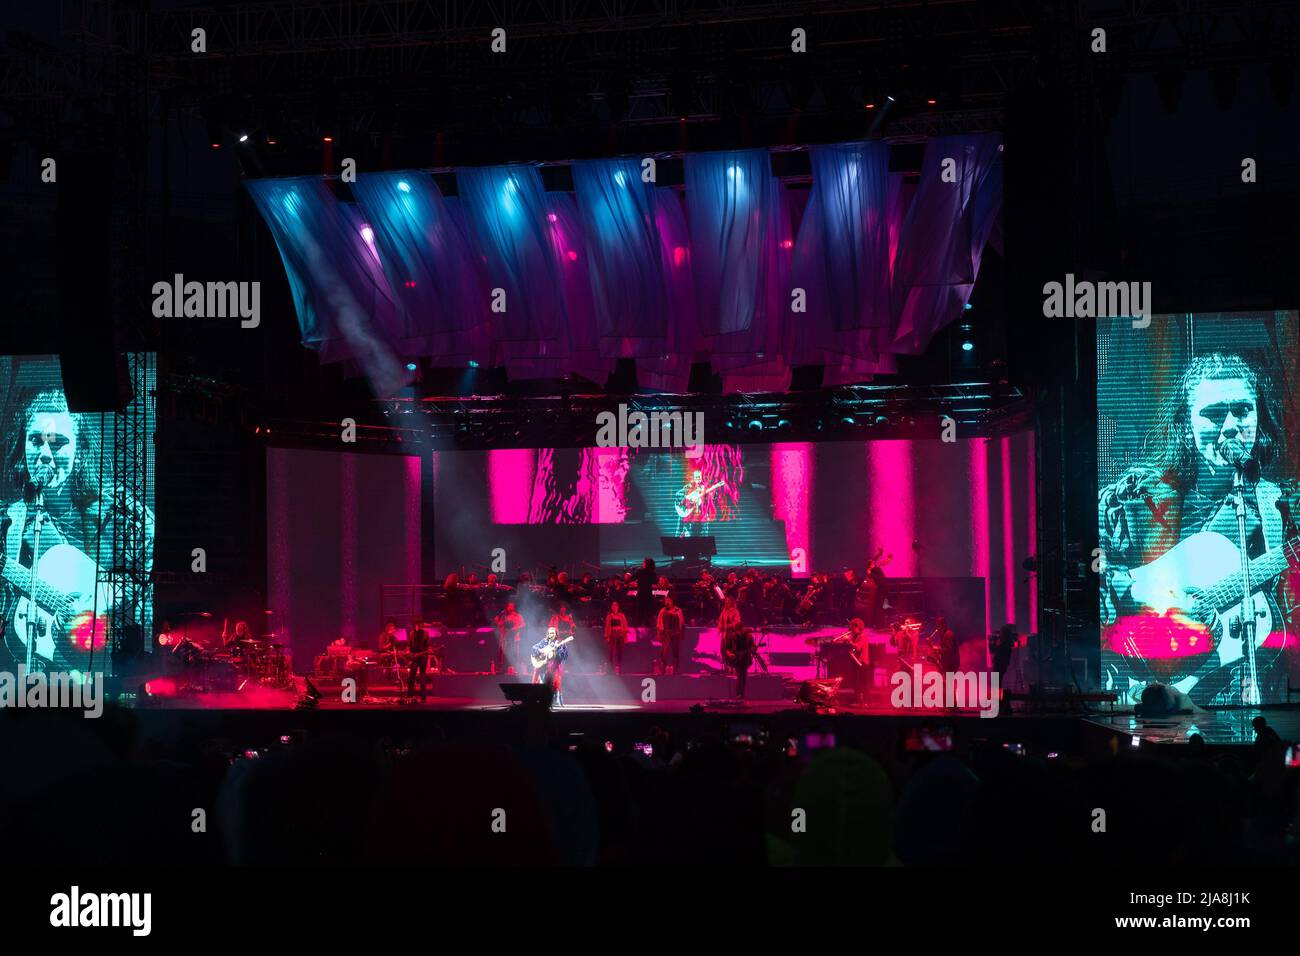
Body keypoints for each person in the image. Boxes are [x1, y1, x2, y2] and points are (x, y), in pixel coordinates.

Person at [1098, 352, 1298, 705]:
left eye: (1242, 410)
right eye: (1214, 413)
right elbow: (1088, 574)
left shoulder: (1277, 504)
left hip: (1248, 695)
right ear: (1186, 425)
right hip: (1143, 689)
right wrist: (1142, 597)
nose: (1232, 425)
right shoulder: (1134, 498)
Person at [0, 388, 154, 671]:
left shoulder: (120, 511)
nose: (45, 454)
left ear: (80, 452)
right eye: (36, 441)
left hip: (110, 669)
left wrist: (102, 600)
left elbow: (150, 567)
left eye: (57, 443)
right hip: (32, 678)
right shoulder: (10, 522)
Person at [723, 625, 756, 700]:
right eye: (738, 631)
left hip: (746, 659)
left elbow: (753, 647)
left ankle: (741, 695)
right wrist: (730, 654)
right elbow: (727, 648)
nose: (740, 632)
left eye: (741, 630)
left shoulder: (749, 637)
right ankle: (739, 695)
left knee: (743, 677)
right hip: (736, 660)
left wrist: (754, 649)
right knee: (740, 676)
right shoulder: (732, 637)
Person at [494, 601, 525, 676]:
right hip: (505, 638)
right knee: (503, 654)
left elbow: (523, 625)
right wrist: (497, 621)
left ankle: (517, 669)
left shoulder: (518, 616)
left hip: (515, 638)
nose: (509, 608)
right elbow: (501, 626)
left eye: (511, 606)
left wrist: (515, 629)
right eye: (508, 606)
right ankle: (503, 669)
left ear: (514, 607)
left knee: (515, 654)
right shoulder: (505, 616)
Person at [656, 595, 686, 675]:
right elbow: (658, 624)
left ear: (672, 602)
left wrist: (681, 634)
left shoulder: (678, 610)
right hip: (666, 633)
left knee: (675, 652)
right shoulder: (662, 611)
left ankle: (675, 669)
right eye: (666, 601)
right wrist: (659, 634)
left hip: (676, 633)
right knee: (664, 652)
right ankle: (663, 669)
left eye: (668, 600)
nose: (666, 602)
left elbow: (682, 623)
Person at [406, 617, 431, 701]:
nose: (419, 625)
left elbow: (427, 646)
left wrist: (424, 653)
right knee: (412, 676)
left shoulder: (425, 633)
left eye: (420, 624)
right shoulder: (411, 633)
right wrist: (410, 653)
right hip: (414, 657)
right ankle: (410, 695)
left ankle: (423, 697)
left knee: (422, 676)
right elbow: (409, 646)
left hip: (422, 657)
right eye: (417, 624)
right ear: (415, 624)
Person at [603, 600, 629, 675]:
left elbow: (625, 626)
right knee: (611, 652)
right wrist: (607, 636)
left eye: (616, 605)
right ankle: (610, 669)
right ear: (611, 607)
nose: (614, 607)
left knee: (619, 652)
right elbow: (607, 627)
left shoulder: (622, 615)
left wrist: (625, 634)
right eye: (613, 605)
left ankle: (619, 668)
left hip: (620, 635)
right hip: (612, 635)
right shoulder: (609, 616)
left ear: (618, 607)